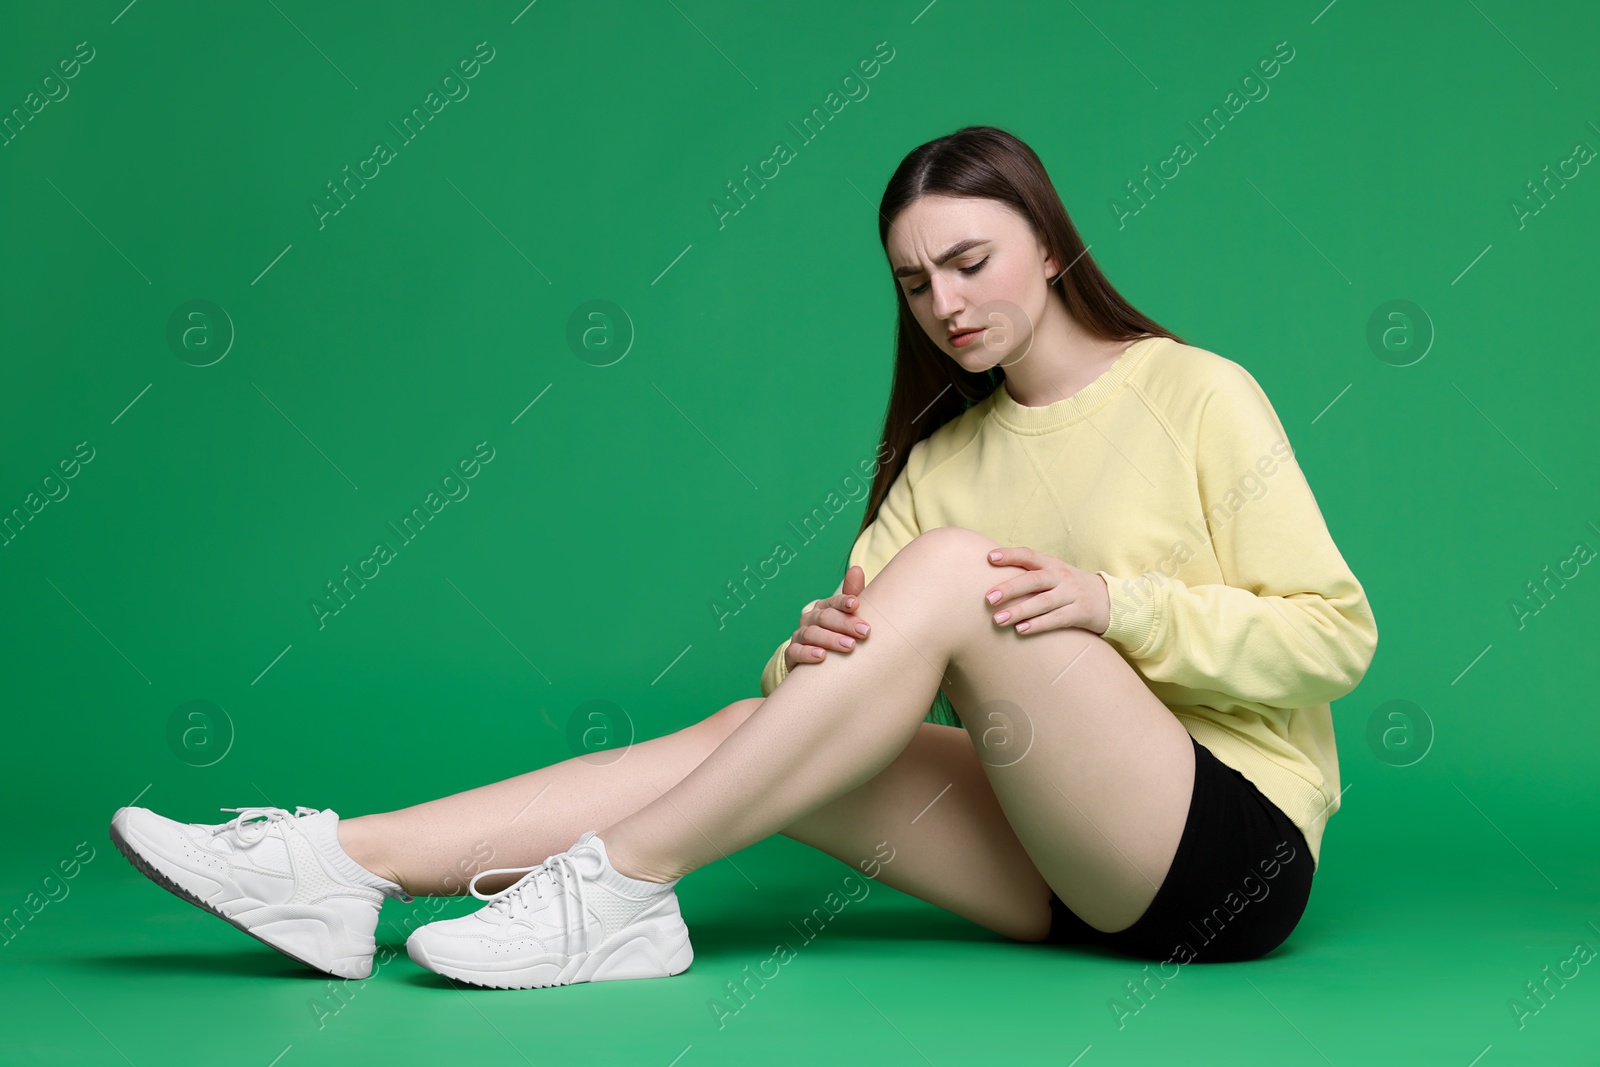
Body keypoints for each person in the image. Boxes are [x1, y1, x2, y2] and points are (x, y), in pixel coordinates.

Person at [108, 125, 1378, 988]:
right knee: (747, 720)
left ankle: (619, 885)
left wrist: (1113, 605)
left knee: (946, 568)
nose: (945, 301)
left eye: (971, 259)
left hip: (1227, 855)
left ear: (1050, 245)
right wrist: (808, 645)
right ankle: (342, 867)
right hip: (1059, 870)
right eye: (915, 280)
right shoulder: (947, 456)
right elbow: (811, 694)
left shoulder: (1194, 392)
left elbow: (1335, 635)